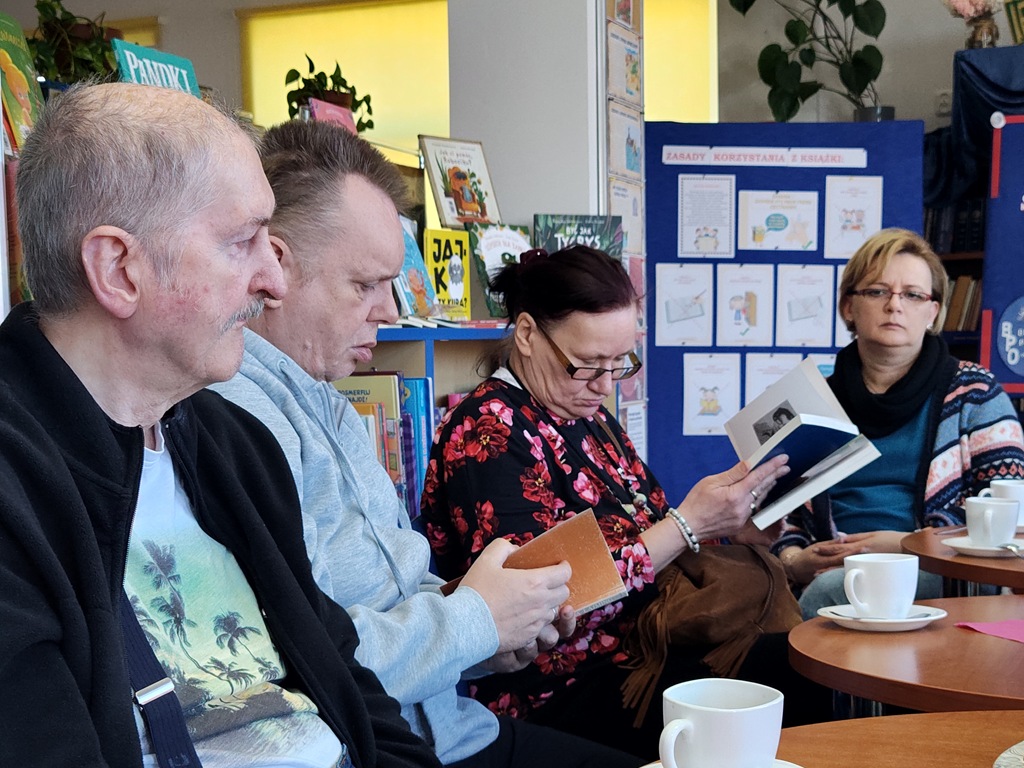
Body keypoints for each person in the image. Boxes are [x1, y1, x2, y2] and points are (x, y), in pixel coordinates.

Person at [0, 82, 440, 768]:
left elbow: (350, 691)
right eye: (242, 242)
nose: (275, 281)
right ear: (119, 270)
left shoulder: (236, 448)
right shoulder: (15, 491)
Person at [210, 120, 642, 768]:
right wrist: (475, 620)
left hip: (452, 727)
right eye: (365, 284)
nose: (390, 310)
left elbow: (398, 597)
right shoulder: (240, 421)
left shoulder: (330, 402)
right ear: (275, 266)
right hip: (387, 746)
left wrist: (495, 630)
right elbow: (309, 664)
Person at [419, 246, 828, 759]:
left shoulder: (582, 411)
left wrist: (726, 527)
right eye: (587, 364)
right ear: (525, 334)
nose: (605, 385)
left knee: (816, 659)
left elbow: (645, 527)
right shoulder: (488, 429)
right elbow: (541, 606)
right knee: (803, 677)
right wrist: (686, 525)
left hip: (647, 645)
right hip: (562, 686)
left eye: (620, 363)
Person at [774, 228, 1024, 619]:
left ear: (932, 312)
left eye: (912, 295)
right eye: (877, 291)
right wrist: (794, 560)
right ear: (849, 307)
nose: (894, 305)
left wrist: (907, 544)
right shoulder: (813, 403)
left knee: (830, 592)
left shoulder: (976, 394)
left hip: (943, 570)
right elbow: (782, 513)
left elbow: (1008, 517)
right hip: (827, 570)